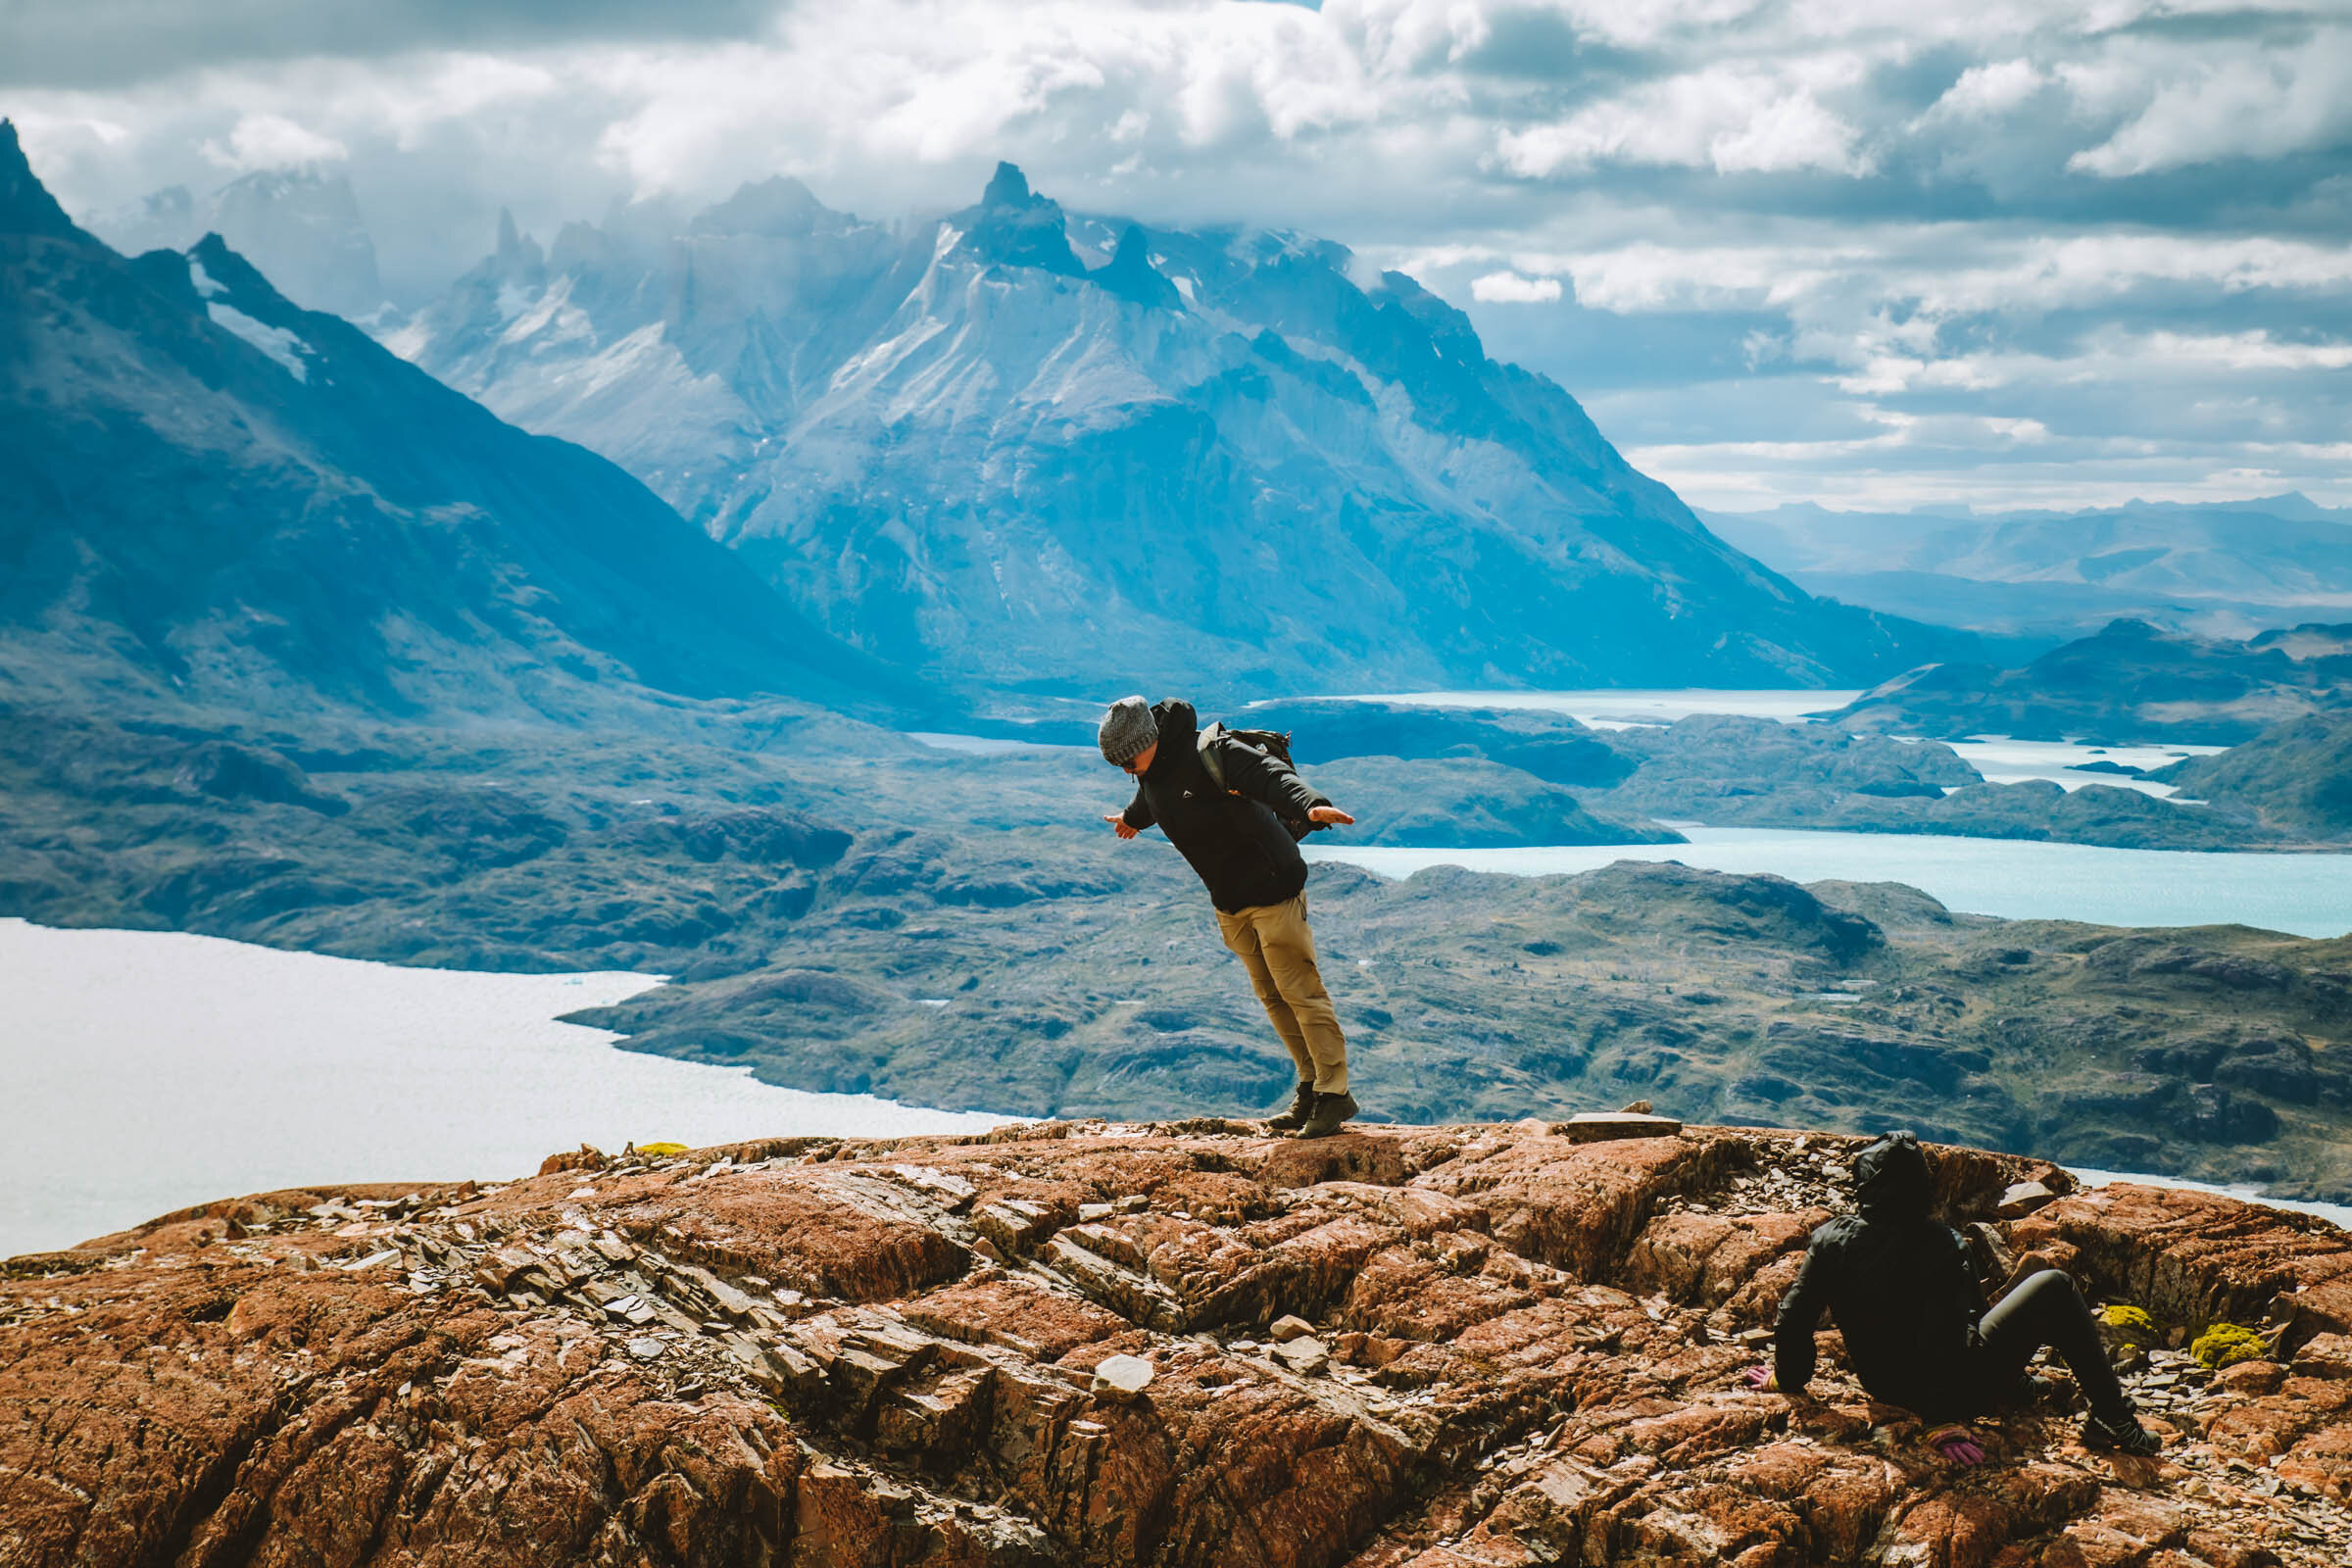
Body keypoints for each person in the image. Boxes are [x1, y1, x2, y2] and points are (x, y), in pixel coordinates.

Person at [1746, 1131, 2161, 1459]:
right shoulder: (1941, 1243)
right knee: (2055, 1286)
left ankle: (2014, 1385)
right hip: (1955, 1391)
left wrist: (1789, 1377)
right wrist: (1940, 1420)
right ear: (1922, 1187)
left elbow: (1793, 1316)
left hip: (1883, 1387)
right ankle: (2112, 1418)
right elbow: (1946, 1334)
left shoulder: (1829, 1240)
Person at [1097, 695, 1360, 1138]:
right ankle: (1311, 1086)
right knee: (1274, 998)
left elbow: (1271, 776)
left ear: (1149, 739)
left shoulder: (1212, 754)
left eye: (1128, 759)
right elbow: (1153, 796)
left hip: (1273, 888)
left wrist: (1310, 805)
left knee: (1301, 992)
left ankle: (1335, 1096)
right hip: (1230, 903)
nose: (1126, 769)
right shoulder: (1151, 769)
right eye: (1117, 764)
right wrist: (1131, 818)